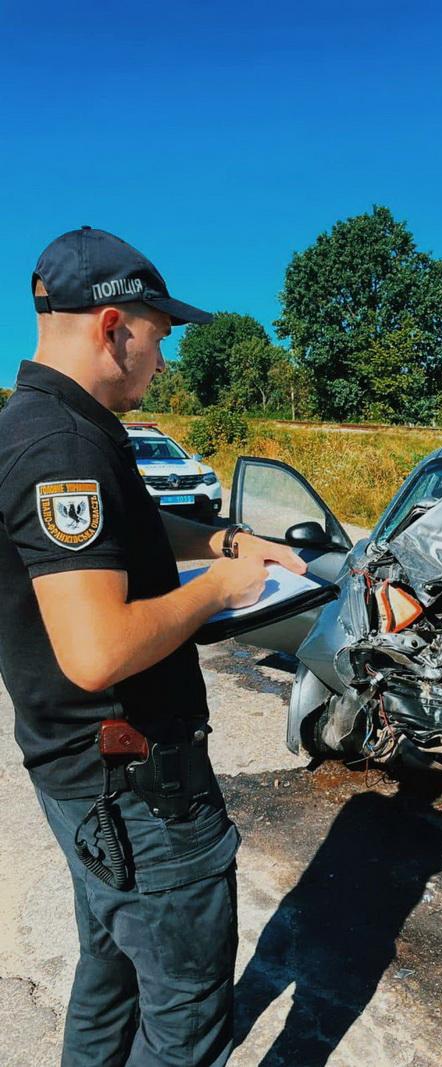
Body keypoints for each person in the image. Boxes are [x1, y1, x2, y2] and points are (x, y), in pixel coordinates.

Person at [0, 227, 307, 1066]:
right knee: (185, 1021)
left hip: (86, 781)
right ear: (111, 327)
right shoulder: (61, 445)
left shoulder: (60, 423)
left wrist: (222, 544)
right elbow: (95, 651)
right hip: (136, 792)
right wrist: (216, 591)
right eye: (159, 336)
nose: (163, 360)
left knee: (111, 981)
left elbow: (125, 535)